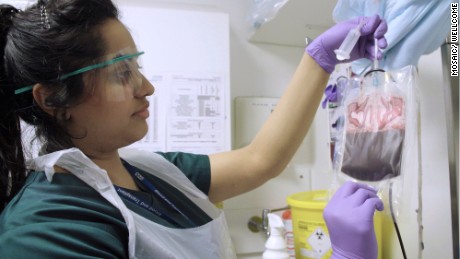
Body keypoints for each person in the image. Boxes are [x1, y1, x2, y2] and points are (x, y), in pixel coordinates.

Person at [0, 0, 387, 258]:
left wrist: (318, 59)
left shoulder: (153, 172)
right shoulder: (47, 227)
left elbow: (259, 160)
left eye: (137, 68)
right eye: (122, 73)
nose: (146, 88)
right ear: (52, 100)